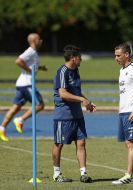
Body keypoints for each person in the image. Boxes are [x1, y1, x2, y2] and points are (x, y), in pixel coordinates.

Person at [52, 45, 96, 183]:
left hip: (77, 115)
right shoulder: (62, 72)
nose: (81, 59)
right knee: (59, 144)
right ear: (72, 58)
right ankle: (56, 174)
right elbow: (63, 94)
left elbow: (76, 92)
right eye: (79, 57)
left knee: (81, 143)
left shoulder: (76, 70)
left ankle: (83, 173)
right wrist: (82, 99)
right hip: (63, 115)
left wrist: (87, 101)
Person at [0, 33, 47, 142]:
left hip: (21, 83)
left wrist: (40, 68)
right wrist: (29, 70)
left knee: (16, 108)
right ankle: (20, 120)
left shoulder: (34, 53)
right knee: (40, 105)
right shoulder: (30, 51)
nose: (41, 41)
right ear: (34, 41)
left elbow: (31, 64)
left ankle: (2, 128)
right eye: (39, 39)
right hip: (27, 84)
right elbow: (18, 61)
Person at [112, 43, 133, 185]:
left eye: (118, 55)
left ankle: (128, 175)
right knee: (130, 143)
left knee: (130, 142)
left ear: (127, 54)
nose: (116, 58)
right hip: (123, 111)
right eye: (115, 55)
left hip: (132, 112)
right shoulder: (122, 70)